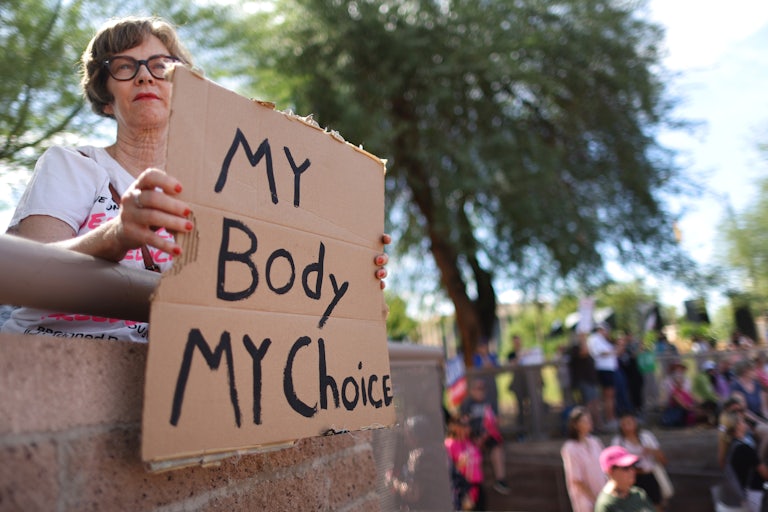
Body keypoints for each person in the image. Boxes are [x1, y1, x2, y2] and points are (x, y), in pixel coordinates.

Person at [1, 16, 390, 342]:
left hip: (179, 383)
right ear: (105, 96)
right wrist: (117, 235)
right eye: (124, 66)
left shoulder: (225, 193)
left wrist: (344, 282)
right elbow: (29, 274)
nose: (145, 77)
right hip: (56, 366)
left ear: (183, 89)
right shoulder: (72, 165)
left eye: (162, 66)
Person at [459, 378, 510, 495]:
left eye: (482, 389)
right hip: (472, 436)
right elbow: (463, 423)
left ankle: (500, 480)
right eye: (477, 389)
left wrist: (486, 434)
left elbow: (496, 421)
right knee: (469, 453)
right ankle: (470, 484)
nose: (480, 392)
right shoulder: (467, 403)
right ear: (471, 390)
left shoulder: (489, 402)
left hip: (487, 434)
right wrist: (474, 436)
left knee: (497, 448)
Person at [611, 413, 670, 510]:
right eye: (624, 423)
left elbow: (663, 459)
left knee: (657, 505)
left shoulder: (646, 436)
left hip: (651, 476)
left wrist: (651, 451)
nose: (627, 425)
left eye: (629, 422)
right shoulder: (618, 441)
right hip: (631, 480)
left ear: (635, 423)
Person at [717, 410, 768, 512]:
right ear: (737, 426)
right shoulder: (745, 449)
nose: (745, 424)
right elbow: (765, 474)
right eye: (742, 422)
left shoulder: (728, 446)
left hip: (731, 500)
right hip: (750, 497)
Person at [561, 406, 607, 512]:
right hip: (585, 499)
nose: (589, 423)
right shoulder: (570, 448)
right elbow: (576, 479)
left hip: (602, 492)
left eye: (589, 420)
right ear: (575, 425)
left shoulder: (595, 442)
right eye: (584, 421)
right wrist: (594, 498)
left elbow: (605, 467)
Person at [594, 445, 656, 512]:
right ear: (610, 472)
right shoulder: (606, 504)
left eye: (633, 466)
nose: (632, 471)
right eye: (626, 468)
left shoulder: (639, 494)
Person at [445, 415, 485, 511]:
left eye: (468, 425)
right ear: (454, 426)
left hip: (477, 485)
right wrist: (459, 464)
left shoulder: (470, 442)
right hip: (462, 487)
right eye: (463, 424)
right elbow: (448, 470)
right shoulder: (449, 444)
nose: (467, 427)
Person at [588, 322, 619, 430]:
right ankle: (609, 419)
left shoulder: (602, 340)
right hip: (603, 370)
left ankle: (610, 418)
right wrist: (613, 350)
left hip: (608, 370)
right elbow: (600, 353)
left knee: (610, 396)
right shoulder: (594, 339)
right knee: (608, 396)